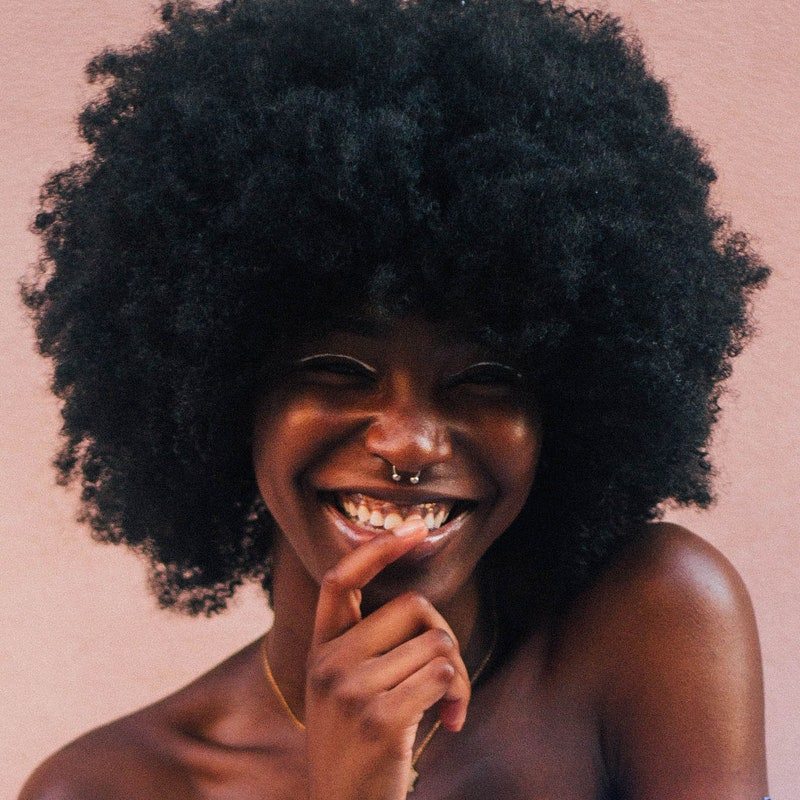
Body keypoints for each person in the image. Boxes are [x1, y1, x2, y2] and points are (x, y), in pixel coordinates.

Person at [18, 0, 771, 797]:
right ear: (220, 393)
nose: (411, 442)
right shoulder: (107, 787)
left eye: (484, 378)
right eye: (338, 367)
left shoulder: (650, 624)